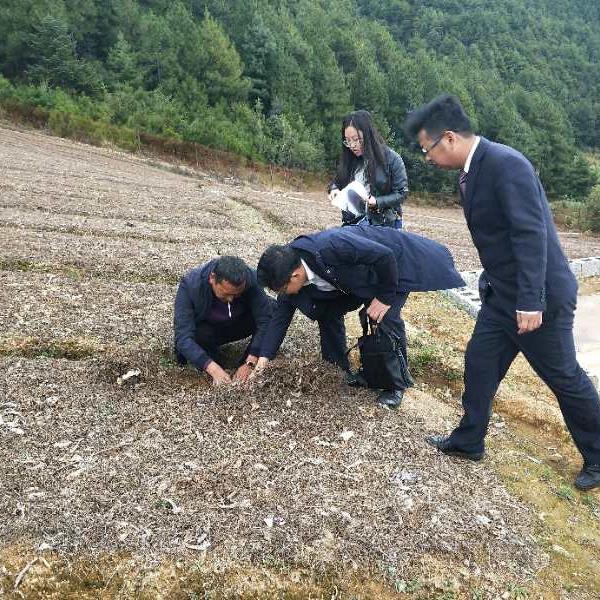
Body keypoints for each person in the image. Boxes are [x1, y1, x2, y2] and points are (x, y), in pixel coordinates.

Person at [404, 94, 600, 491]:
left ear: (449, 138)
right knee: (480, 362)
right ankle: (469, 440)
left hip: (538, 297)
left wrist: (530, 300)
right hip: (501, 296)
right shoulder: (472, 172)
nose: (428, 158)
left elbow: (530, 234)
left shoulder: (506, 164)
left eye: (428, 149)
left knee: (563, 377)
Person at [253, 222, 465, 407]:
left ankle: (395, 384)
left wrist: (384, 297)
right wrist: (264, 359)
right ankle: (338, 369)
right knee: (326, 312)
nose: (281, 294)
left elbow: (384, 256)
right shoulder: (289, 265)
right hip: (357, 279)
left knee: (382, 316)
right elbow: (279, 318)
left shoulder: (333, 246)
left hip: (392, 267)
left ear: (295, 275)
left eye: (282, 289)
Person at [174, 256, 274, 385]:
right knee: (198, 335)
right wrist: (213, 368)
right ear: (212, 278)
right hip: (208, 331)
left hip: (238, 323)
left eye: (236, 294)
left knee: (272, 309)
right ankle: (212, 358)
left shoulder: (251, 278)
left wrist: (250, 361)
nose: (231, 299)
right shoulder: (191, 286)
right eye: (226, 293)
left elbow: (265, 319)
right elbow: (183, 338)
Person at [328, 110, 408, 228]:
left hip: (383, 224)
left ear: (368, 135)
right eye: (348, 141)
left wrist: (377, 202)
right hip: (353, 224)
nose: (352, 145)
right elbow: (337, 182)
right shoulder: (349, 160)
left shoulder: (392, 159)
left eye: (356, 139)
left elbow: (401, 194)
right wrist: (334, 189)